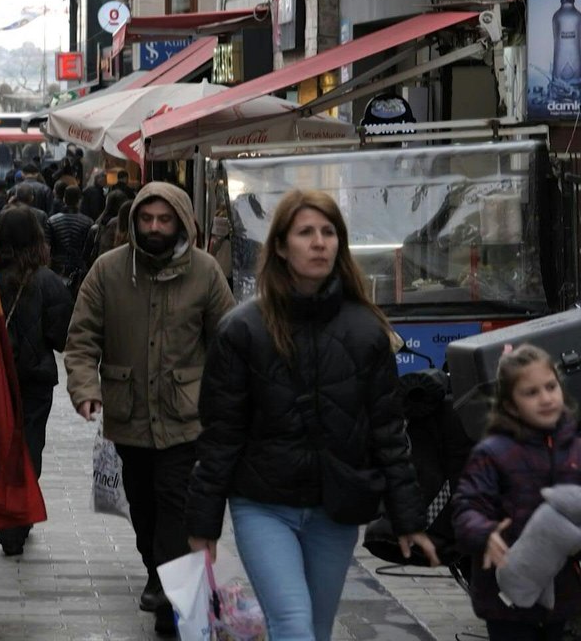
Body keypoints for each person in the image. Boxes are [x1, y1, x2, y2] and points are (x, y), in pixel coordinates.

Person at [184, 189, 436, 641]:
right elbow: (221, 434)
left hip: (335, 507)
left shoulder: (365, 331)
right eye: (305, 232)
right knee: (293, 625)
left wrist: (408, 519)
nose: (319, 242)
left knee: (316, 630)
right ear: (280, 246)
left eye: (328, 232)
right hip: (263, 504)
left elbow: (388, 431)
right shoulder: (243, 330)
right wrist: (203, 522)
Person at [64, 182, 235, 635]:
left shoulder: (206, 272)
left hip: (187, 420)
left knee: (176, 507)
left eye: (164, 219)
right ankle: (159, 574)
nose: (155, 227)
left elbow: (229, 341)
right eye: (147, 219)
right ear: (134, 221)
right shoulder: (107, 272)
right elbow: (81, 341)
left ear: (180, 220)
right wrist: (85, 388)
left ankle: (174, 606)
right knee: (144, 510)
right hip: (129, 420)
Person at [453, 344, 581, 641]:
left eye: (551, 387)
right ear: (510, 404)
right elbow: (467, 507)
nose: (546, 398)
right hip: (505, 596)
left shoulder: (575, 448)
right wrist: (484, 533)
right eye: (531, 392)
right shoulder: (493, 452)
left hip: (564, 590)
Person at [0, 208, 71, 556]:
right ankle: (16, 521)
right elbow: (61, 338)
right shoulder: (49, 282)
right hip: (35, 380)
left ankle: (1, 509)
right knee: (28, 448)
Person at [46, 185, 92, 294]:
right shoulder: (88, 222)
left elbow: (47, 248)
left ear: (64, 199)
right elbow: (89, 251)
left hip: (57, 268)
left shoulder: (52, 220)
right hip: (79, 270)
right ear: (79, 201)